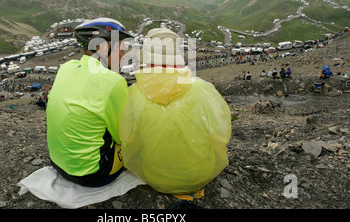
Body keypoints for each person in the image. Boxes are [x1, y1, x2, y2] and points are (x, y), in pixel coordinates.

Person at [119, 28, 232, 194]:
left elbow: (128, 139)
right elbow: (221, 134)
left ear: (146, 60)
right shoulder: (202, 88)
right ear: (177, 60)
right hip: (202, 175)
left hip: (156, 178)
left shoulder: (133, 93)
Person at [46, 18, 133, 187]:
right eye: (121, 47)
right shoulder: (113, 81)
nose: (124, 54)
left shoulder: (65, 68)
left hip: (57, 162)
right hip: (93, 173)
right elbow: (123, 135)